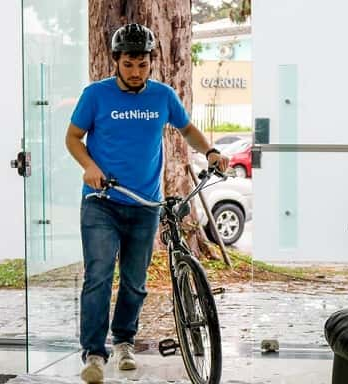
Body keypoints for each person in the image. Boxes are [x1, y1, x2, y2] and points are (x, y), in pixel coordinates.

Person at [65, 23, 229, 383]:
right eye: (129, 64)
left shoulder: (163, 96)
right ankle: (93, 353)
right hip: (101, 201)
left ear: (150, 62)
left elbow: (187, 130)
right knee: (99, 276)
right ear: (116, 62)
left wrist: (212, 151)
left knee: (135, 282)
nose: (136, 72)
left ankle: (124, 341)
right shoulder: (95, 95)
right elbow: (73, 138)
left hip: (144, 205)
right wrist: (89, 167)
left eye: (142, 64)